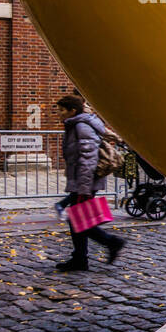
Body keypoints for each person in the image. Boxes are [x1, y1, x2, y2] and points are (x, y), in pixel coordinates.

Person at [54, 94, 126, 272]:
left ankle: (111, 242)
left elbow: (88, 157)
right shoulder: (76, 124)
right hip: (80, 180)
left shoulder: (80, 126)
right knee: (77, 218)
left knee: (79, 219)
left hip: (84, 181)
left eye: (62, 110)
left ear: (73, 110)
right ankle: (80, 258)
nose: (59, 114)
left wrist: (84, 187)